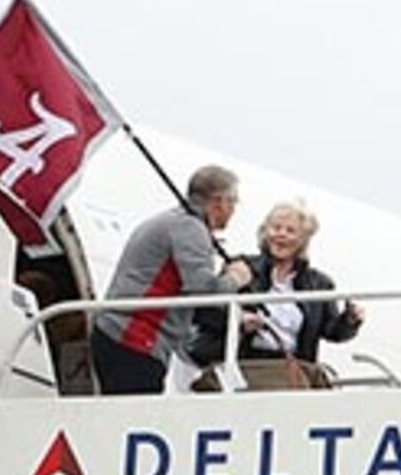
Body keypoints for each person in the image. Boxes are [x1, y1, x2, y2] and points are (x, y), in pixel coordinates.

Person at [94, 165, 247, 394]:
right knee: (138, 411)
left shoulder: (169, 221)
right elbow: (204, 291)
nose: (234, 209)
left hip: (118, 333)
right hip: (137, 339)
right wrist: (235, 278)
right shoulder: (191, 229)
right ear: (219, 202)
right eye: (234, 201)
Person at [229, 199, 361, 388]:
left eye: (290, 231)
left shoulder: (319, 283)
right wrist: (239, 320)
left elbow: (332, 331)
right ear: (265, 232)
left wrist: (349, 320)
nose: (281, 234)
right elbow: (213, 312)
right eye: (276, 228)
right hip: (249, 365)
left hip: (295, 369)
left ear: (303, 240)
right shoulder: (243, 267)